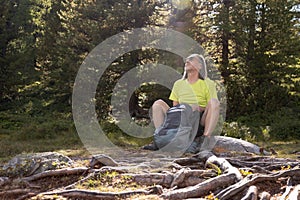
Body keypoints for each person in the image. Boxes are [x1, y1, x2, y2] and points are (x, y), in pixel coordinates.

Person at [145, 54, 220, 150]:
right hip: (180, 116)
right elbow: (175, 107)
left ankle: (205, 139)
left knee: (214, 102)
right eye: (187, 60)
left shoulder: (208, 83)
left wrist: (197, 107)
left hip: (198, 119)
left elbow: (211, 107)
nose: (187, 61)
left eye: (191, 59)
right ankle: (160, 138)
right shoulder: (178, 83)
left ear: (200, 66)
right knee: (158, 104)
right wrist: (185, 108)